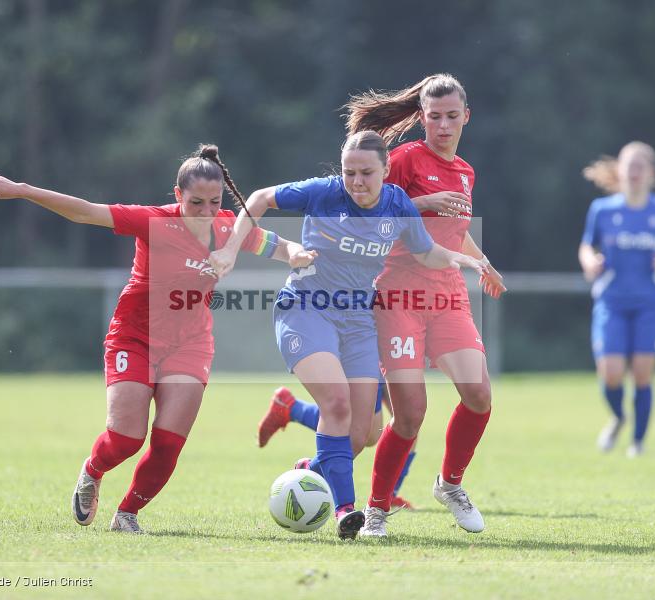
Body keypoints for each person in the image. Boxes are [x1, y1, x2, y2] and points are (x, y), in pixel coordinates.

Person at [0, 145, 313, 534]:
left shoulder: (228, 228)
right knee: (126, 438)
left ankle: (127, 514)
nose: (206, 211)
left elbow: (277, 245)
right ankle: (92, 470)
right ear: (177, 194)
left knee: (168, 443)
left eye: (214, 202)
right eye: (196, 202)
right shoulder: (152, 221)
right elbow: (84, 211)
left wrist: (297, 253)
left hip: (190, 343)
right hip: (135, 337)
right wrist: (24, 189)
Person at [208, 130, 487, 539]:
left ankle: (307, 476)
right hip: (307, 309)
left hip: (359, 322)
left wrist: (462, 259)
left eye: (366, 173)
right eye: (349, 172)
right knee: (336, 404)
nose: (356, 182)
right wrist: (231, 250)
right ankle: (345, 511)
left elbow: (425, 250)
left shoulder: (397, 203)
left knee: (361, 436)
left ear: (386, 171)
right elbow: (260, 198)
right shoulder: (322, 192)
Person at [341, 74, 507, 538]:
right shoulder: (404, 159)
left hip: (447, 292)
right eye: (434, 117)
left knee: (479, 396)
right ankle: (376, 510)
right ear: (422, 118)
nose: (444, 125)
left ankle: (449, 485)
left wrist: (483, 261)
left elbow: (453, 230)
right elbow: (363, 206)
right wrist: (425, 200)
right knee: (410, 413)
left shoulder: (466, 171)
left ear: (466, 117)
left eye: (453, 116)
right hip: (398, 294)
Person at [579, 141, 655, 457]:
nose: (633, 171)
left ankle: (638, 442)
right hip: (612, 302)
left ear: (652, 174)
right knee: (612, 372)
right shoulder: (602, 210)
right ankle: (619, 417)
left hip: (651, 303)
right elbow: (586, 247)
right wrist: (590, 262)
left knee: (643, 372)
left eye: (639, 166)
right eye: (628, 165)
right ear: (618, 170)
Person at [257, 377, 418, 510]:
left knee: (407, 420)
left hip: (394, 348)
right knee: (366, 430)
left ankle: (390, 494)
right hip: (374, 349)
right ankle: (291, 408)